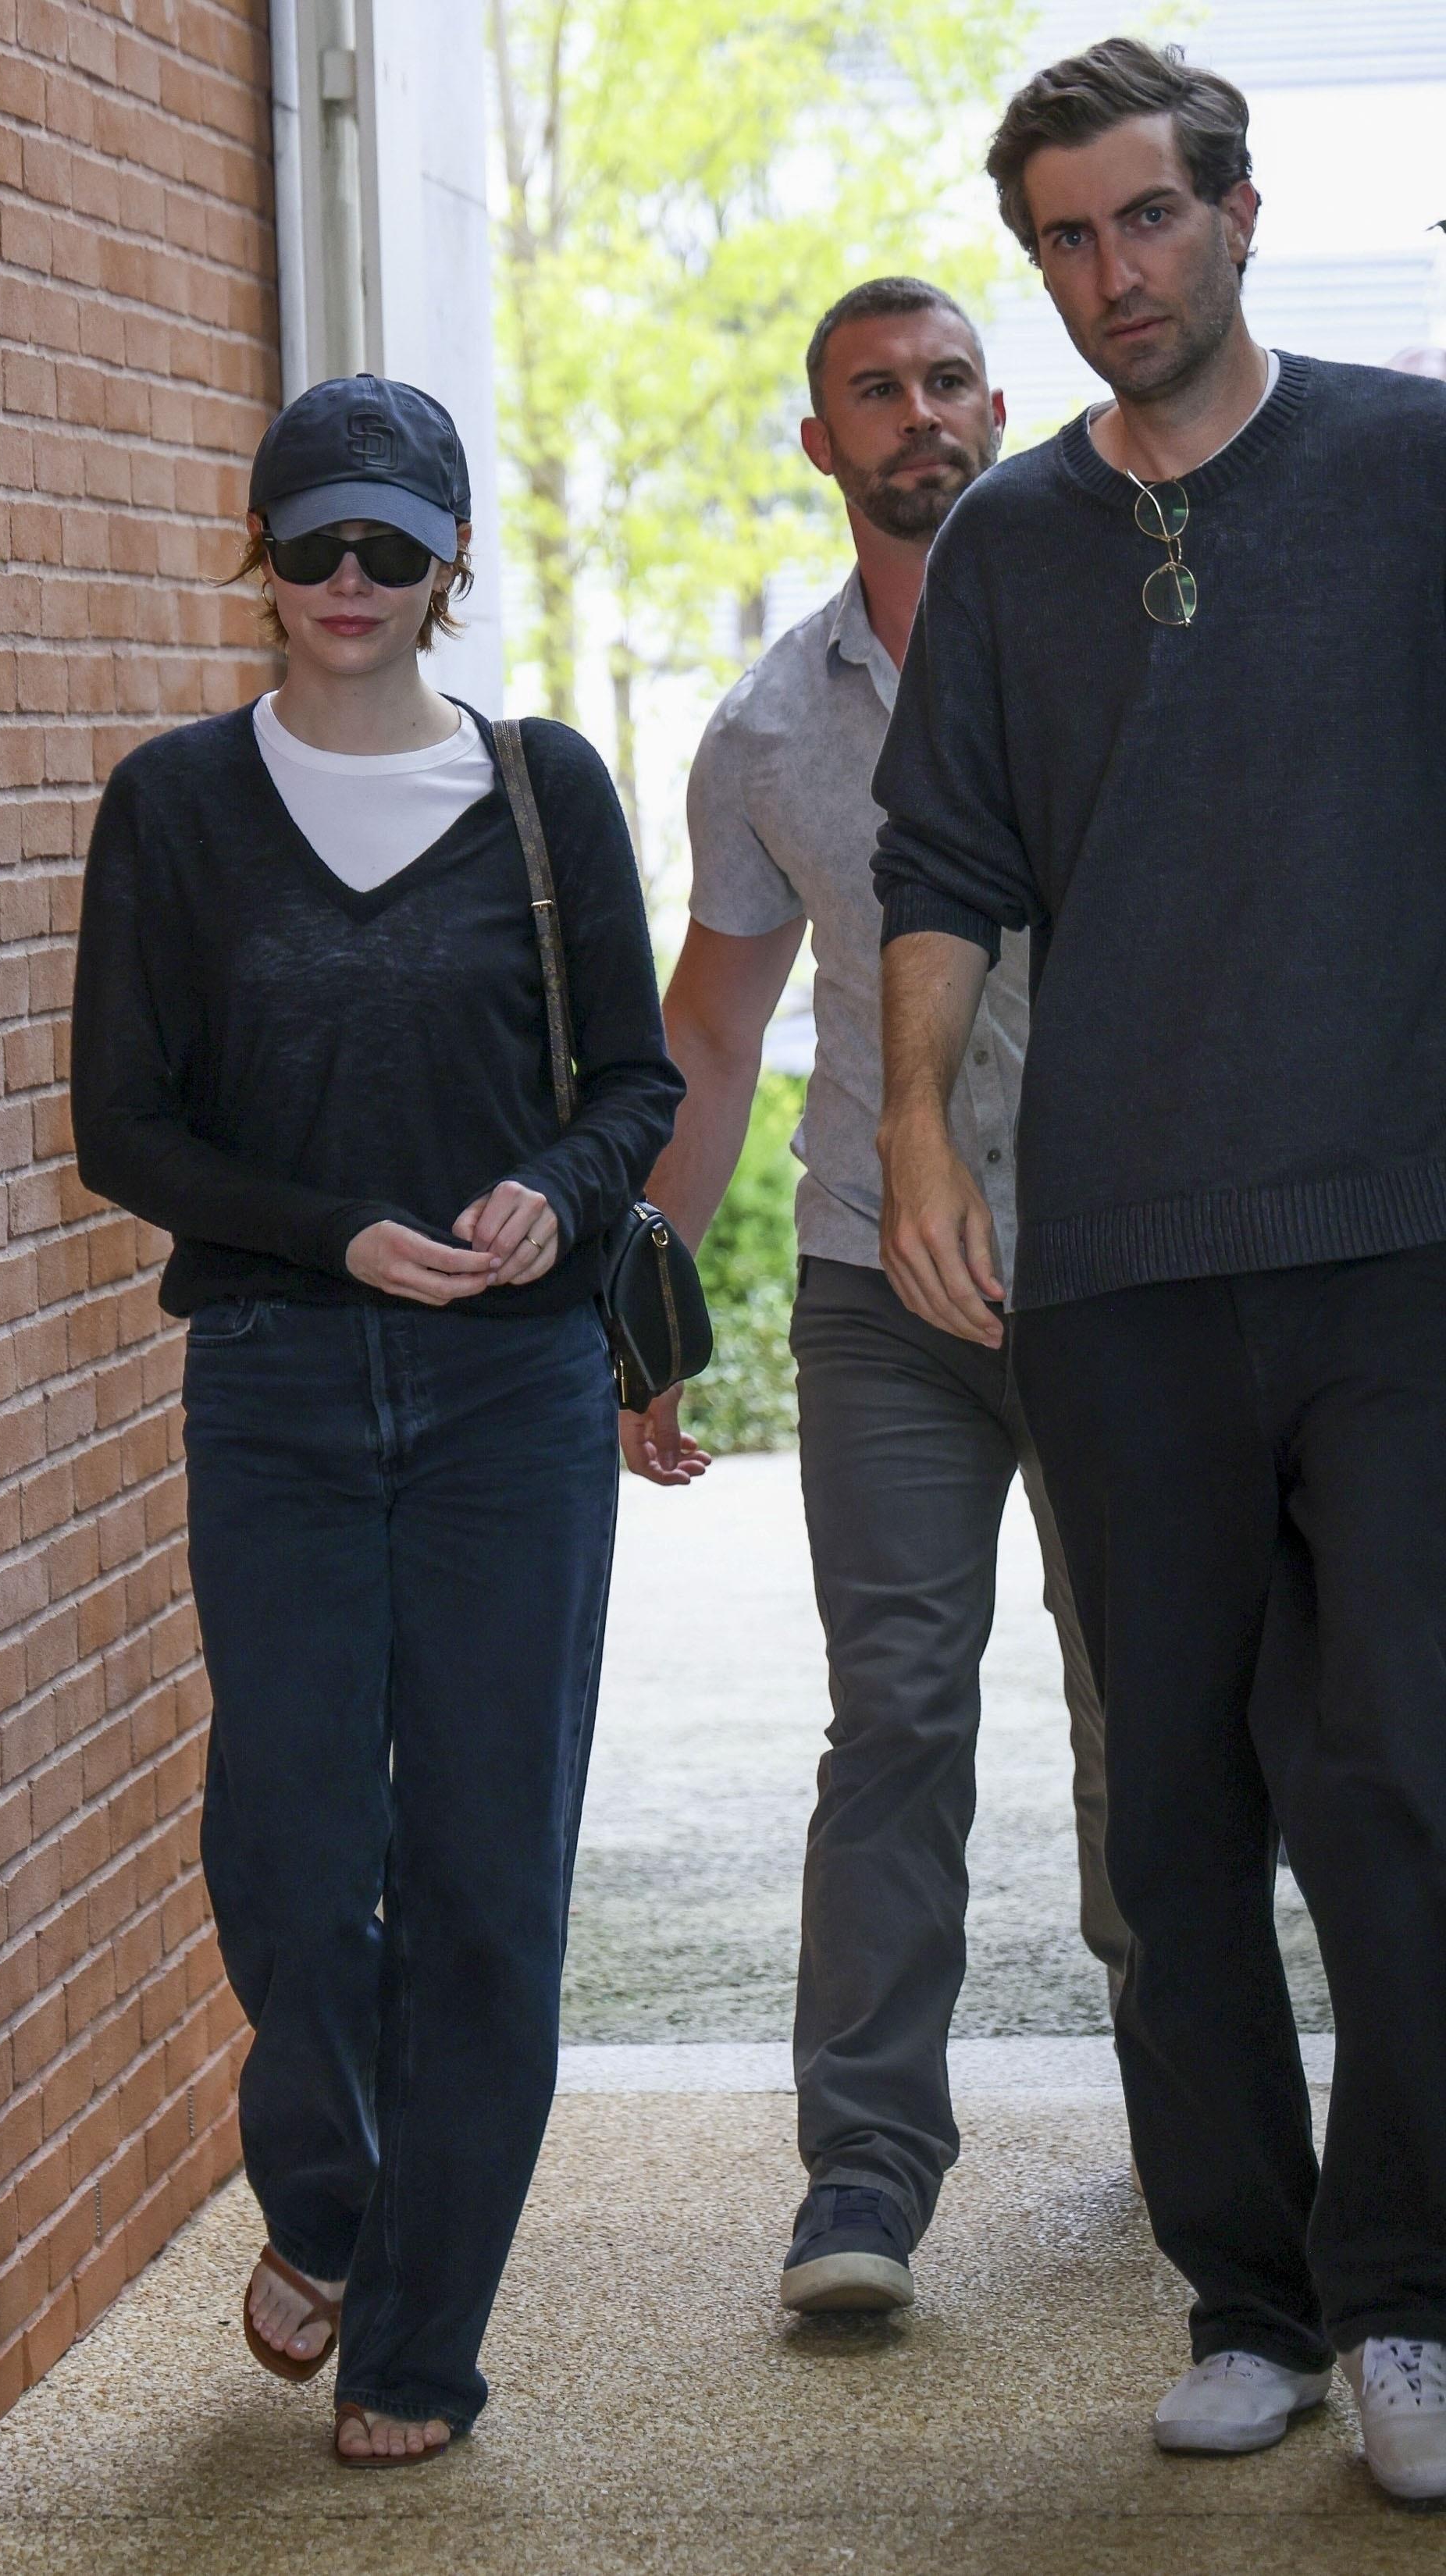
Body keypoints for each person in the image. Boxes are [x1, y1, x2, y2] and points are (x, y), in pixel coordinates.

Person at [872, 40, 1446, 2504]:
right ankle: (1252, 2298)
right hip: (1116, 1267)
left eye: (1146, 219)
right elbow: (941, 862)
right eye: (1068, 240)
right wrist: (914, 1128)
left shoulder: (1415, 466)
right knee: (1173, 1819)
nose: (1112, 272)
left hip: (1402, 1243)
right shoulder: (1011, 543)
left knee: (1404, 1778)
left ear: (1236, 210)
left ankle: (1408, 2293)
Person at [69, 373, 682, 2463]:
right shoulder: (174, 803)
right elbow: (123, 1125)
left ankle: (420, 2337)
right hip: (277, 1386)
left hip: (514, 1399)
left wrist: (559, 1195)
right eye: (315, 542)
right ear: (261, 558)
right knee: (291, 1853)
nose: (351, 579)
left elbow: (637, 1081)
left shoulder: (542, 787)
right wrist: (333, 1232)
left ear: (449, 564)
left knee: (487, 1874)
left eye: (391, 546)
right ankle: (329, 2194)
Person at [621, 279, 1127, 2319]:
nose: (918, 414)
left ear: (1000, 408)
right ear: (819, 442)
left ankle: (1203, 2138)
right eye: (874, 392)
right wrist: (650, 1303)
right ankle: (863, 2175)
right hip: (877, 1282)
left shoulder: (1124, 651)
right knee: (898, 1713)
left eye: (947, 382)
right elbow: (713, 1033)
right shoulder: (765, 731)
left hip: (1122, 1275)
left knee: (1152, 1712)